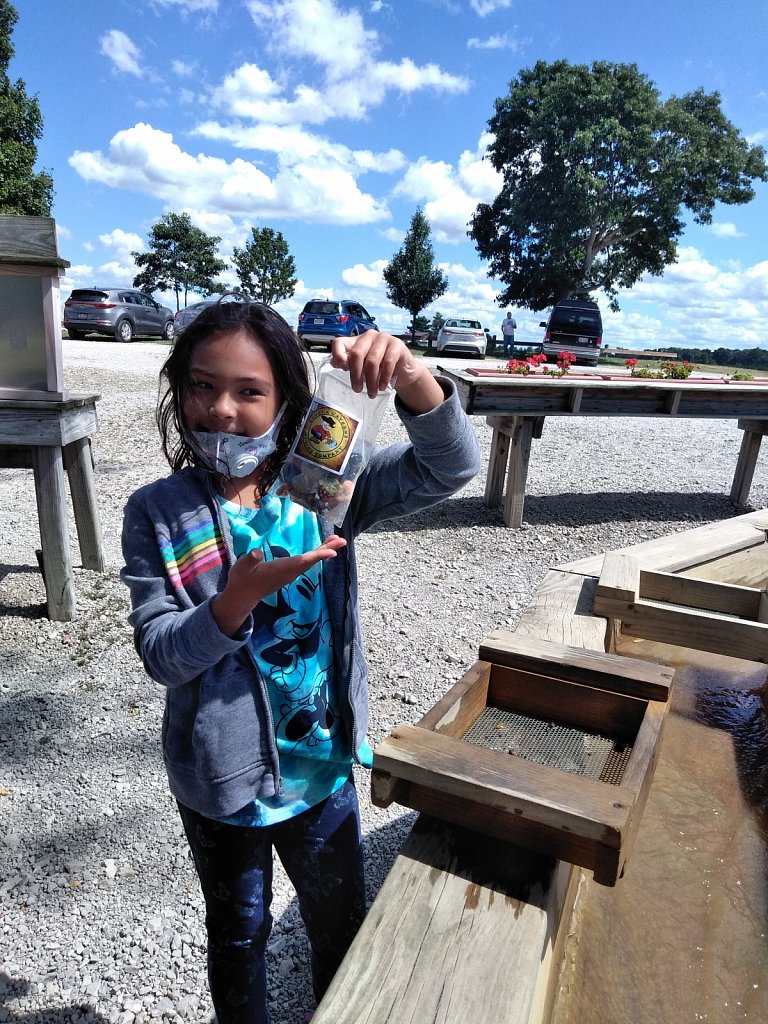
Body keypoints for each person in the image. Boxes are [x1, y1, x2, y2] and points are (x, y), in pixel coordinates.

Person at [120, 299, 481, 1024]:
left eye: (249, 391)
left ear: (289, 399)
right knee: (238, 935)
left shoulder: (324, 487)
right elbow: (160, 653)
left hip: (321, 774)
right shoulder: (158, 512)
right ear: (178, 389)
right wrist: (233, 603)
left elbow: (452, 466)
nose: (220, 409)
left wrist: (412, 375)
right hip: (221, 786)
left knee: (341, 928)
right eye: (200, 385)